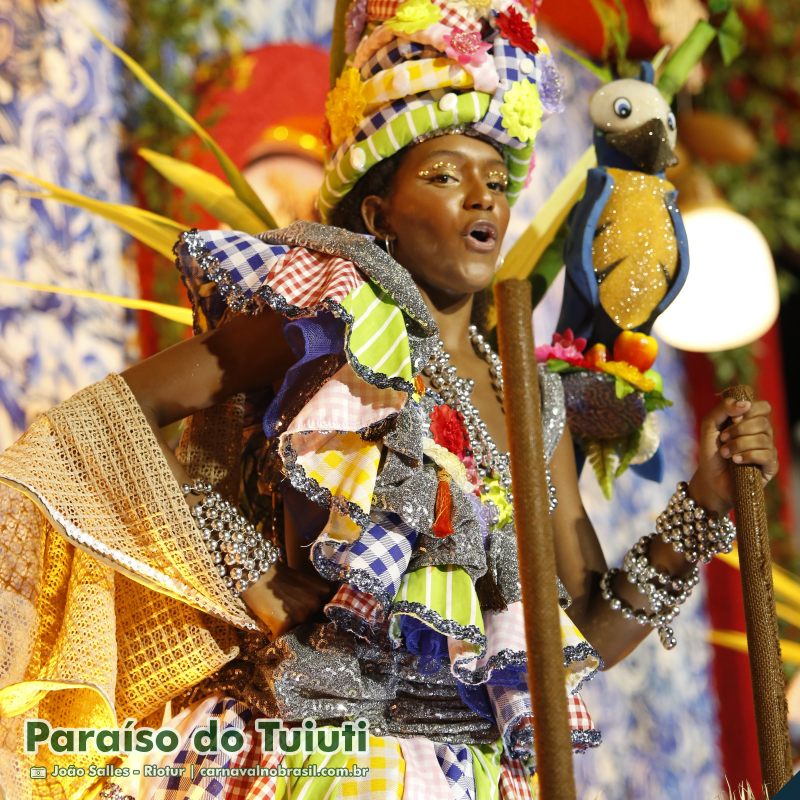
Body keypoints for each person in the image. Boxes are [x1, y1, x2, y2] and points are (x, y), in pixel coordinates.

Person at [0, 2, 778, 799]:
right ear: (380, 216)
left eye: (495, 181)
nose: (482, 199)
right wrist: (243, 575)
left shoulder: (532, 399)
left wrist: (702, 512)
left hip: (468, 774)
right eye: (445, 176)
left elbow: (578, 637)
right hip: (306, 757)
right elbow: (103, 424)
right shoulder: (325, 314)